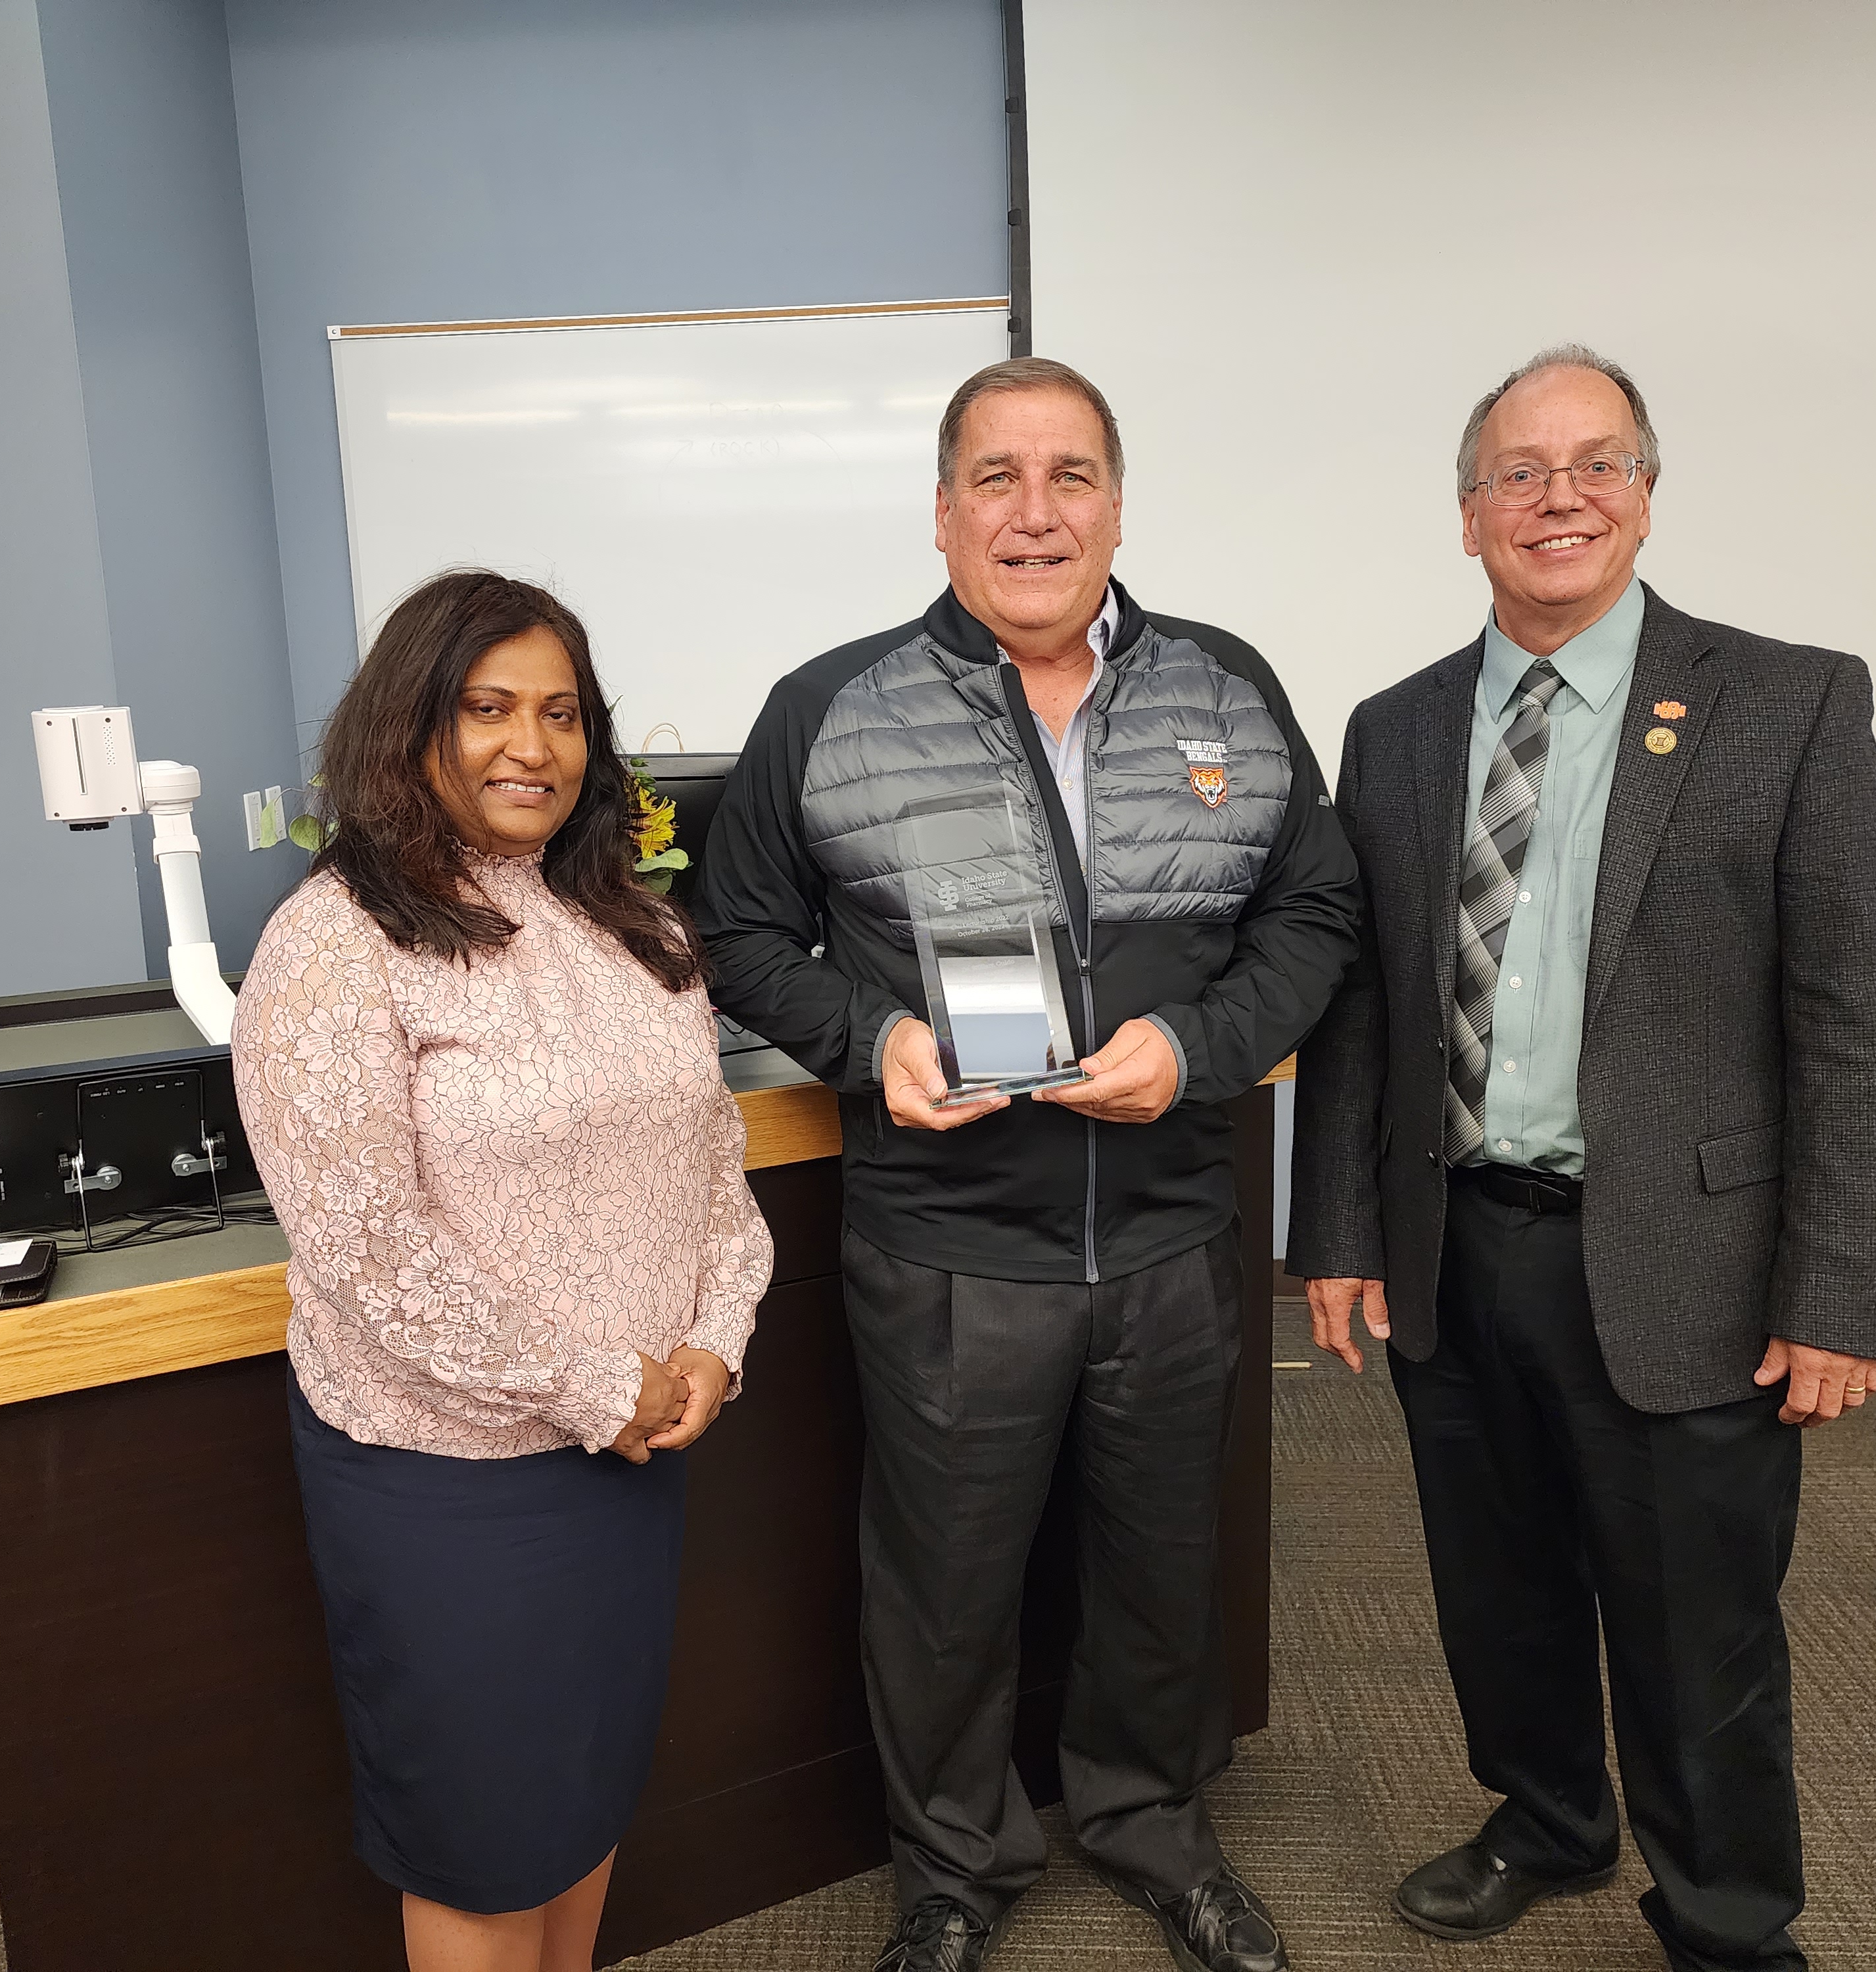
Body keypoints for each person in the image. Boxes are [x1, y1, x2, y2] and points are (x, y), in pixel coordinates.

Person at [696, 358, 1361, 1972]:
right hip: (942, 1248)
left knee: (1159, 1563)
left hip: (1168, 1240)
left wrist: (1198, 1051)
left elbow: (1314, 913)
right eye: (995, 477)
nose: (1033, 510)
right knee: (941, 1580)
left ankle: (1146, 1821)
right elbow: (737, 934)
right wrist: (873, 1041)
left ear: (1117, 507)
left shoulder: (1226, 688)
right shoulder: (827, 709)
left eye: (1068, 475)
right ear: (940, 514)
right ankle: (951, 1867)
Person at [1291, 346, 1876, 1971]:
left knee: (1694, 1629)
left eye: (1593, 464)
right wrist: (1336, 1234)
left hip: (1682, 1264)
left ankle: (1724, 1921)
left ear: (1644, 494)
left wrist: (1838, 1293)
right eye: (1517, 471)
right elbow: (1361, 1010)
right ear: (1465, 513)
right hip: (1454, 1245)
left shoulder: (1784, 701)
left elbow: (1851, 1022)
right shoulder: (1398, 729)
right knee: (1495, 1594)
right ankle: (1547, 1821)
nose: (1553, 496)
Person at [233, 569, 772, 1972]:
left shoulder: (631, 924)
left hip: (634, 1453)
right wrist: (605, 1383)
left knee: (579, 1804)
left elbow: (713, 1163)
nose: (529, 745)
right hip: (446, 1481)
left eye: (560, 713)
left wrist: (715, 1337)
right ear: (408, 724)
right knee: (481, 1842)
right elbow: (367, 1251)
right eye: (486, 708)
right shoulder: (334, 945)